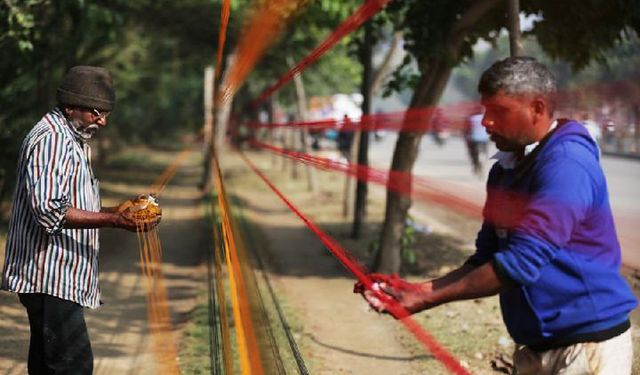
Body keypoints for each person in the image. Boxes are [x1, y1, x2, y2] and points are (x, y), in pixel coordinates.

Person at [356, 57, 637, 374]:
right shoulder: (504, 170)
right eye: (485, 111)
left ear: (537, 108)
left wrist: (426, 301)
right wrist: (418, 290)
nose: (486, 122)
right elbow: (487, 256)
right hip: (539, 347)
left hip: (585, 347)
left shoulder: (567, 165)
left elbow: (520, 263)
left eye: (499, 112)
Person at [1, 66, 160, 374]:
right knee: (73, 366)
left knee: (48, 366)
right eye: (97, 113)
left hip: (58, 277)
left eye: (106, 113)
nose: (103, 121)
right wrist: (113, 222)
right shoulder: (53, 141)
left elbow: (72, 202)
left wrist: (118, 211)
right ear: (72, 106)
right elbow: (50, 209)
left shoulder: (70, 139)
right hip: (48, 276)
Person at [464, 105, 490, 176]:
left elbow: (467, 129)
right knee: (485, 152)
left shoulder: (471, 118)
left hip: (474, 138)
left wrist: (466, 137)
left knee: (472, 153)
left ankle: (475, 165)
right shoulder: (487, 118)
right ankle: (482, 164)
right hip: (485, 139)